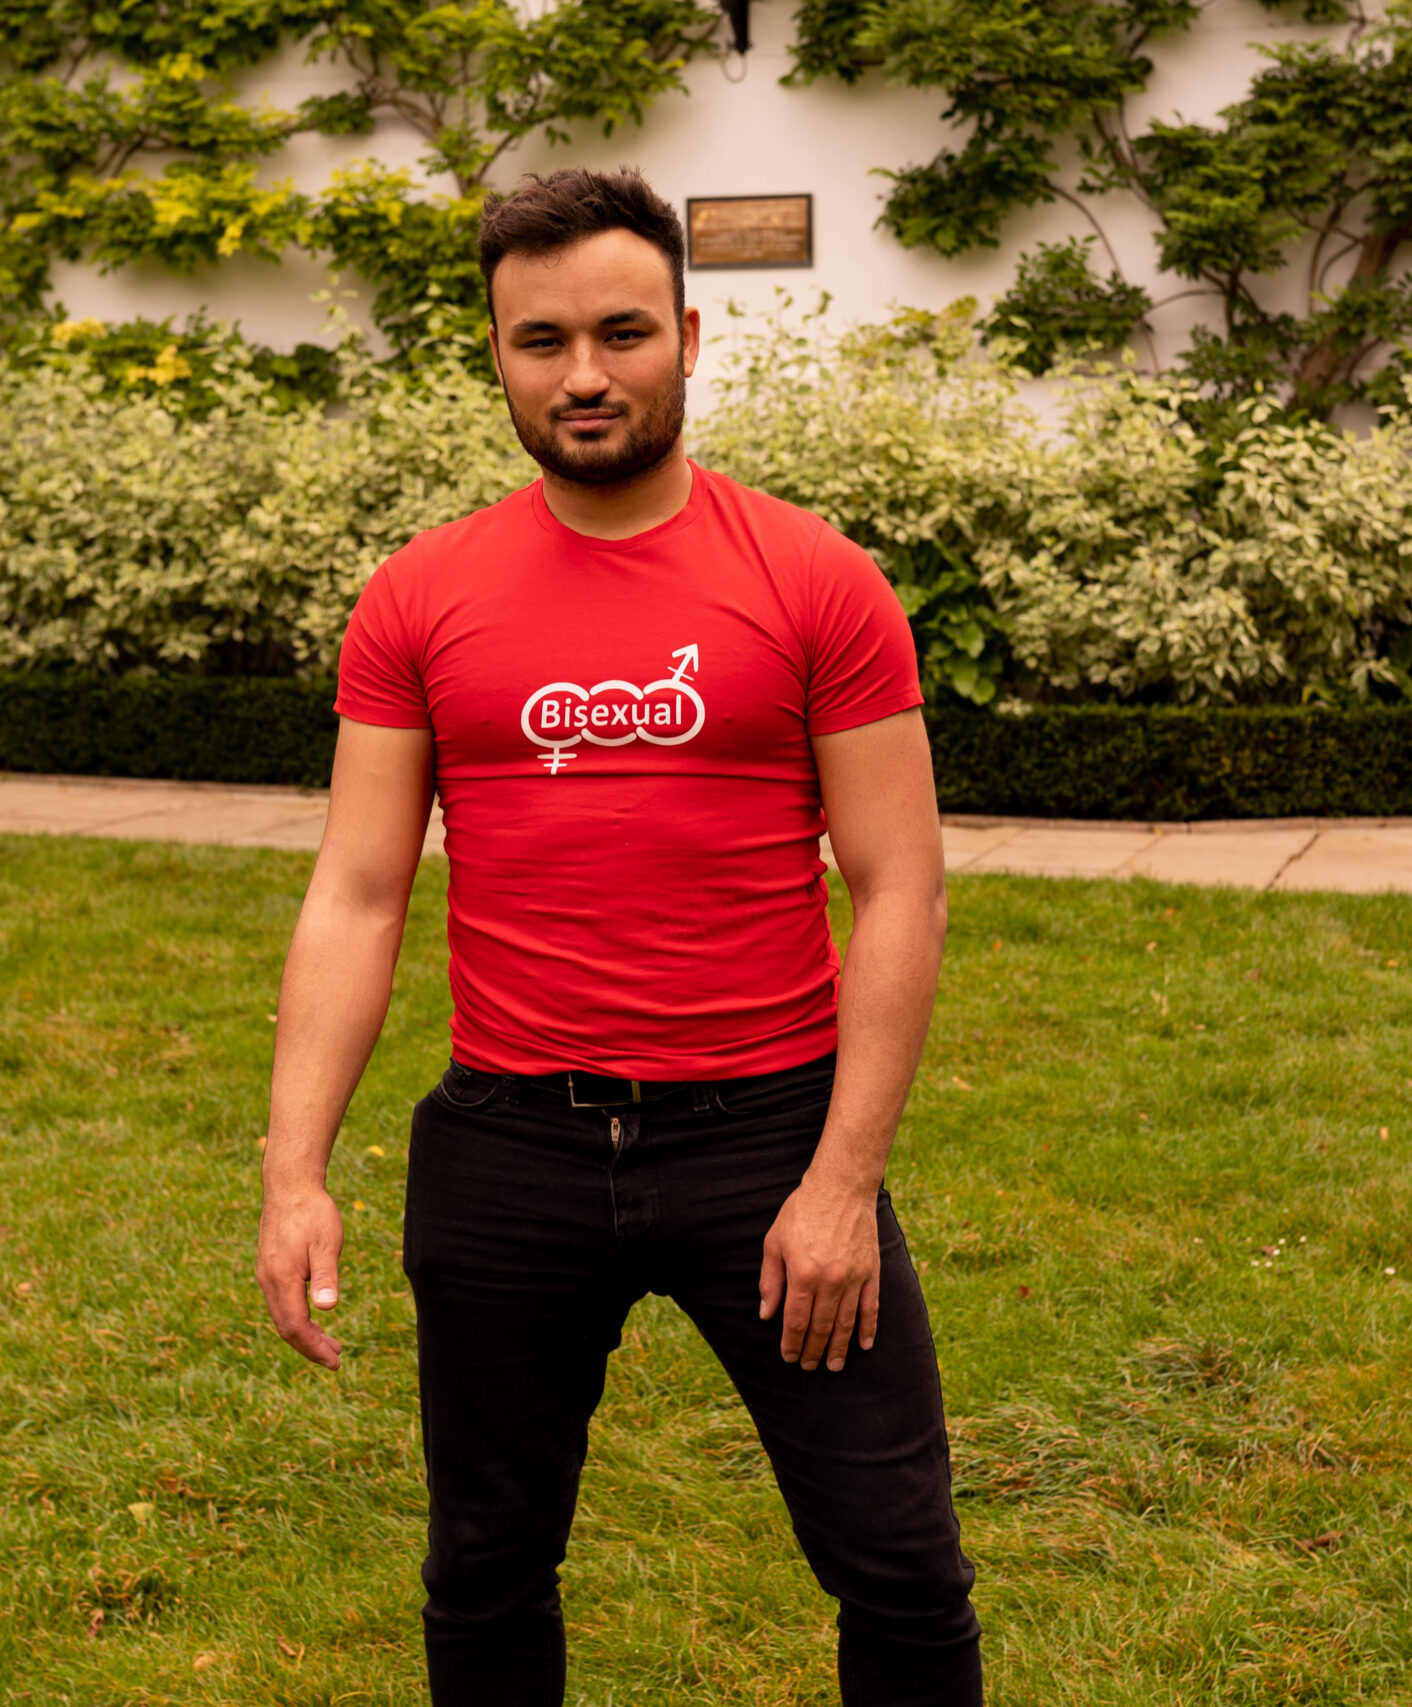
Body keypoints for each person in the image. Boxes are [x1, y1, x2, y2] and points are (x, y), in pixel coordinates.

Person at [254, 165, 980, 1706]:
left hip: (769, 1138)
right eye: (542, 341)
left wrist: (842, 1182)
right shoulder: (420, 597)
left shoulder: (818, 581)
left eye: (621, 333)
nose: (582, 374)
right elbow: (359, 893)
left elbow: (900, 887)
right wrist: (293, 1169)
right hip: (509, 1149)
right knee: (485, 1570)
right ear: (499, 356)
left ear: (689, 340)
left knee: (902, 1566)